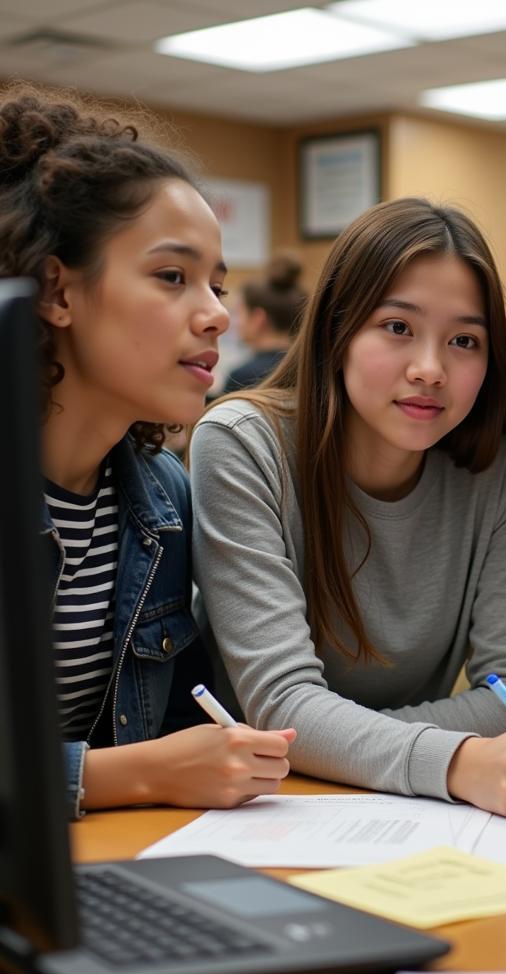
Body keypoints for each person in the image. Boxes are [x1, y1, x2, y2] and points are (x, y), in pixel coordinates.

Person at [190, 197, 506, 818]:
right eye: (398, 327)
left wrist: (340, 739)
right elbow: (280, 703)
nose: (431, 369)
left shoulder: (500, 464)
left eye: (465, 340)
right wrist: (454, 759)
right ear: (338, 329)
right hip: (260, 807)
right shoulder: (242, 443)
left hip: (405, 811)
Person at [0, 86, 296, 818]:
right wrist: (134, 775)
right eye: (173, 277)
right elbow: (151, 764)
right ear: (55, 291)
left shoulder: (161, 496)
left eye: (218, 285)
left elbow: (177, 724)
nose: (219, 313)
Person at [221, 253, 305, 394]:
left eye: (238, 313)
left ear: (258, 319)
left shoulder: (242, 377)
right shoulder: (310, 368)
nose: (235, 322)